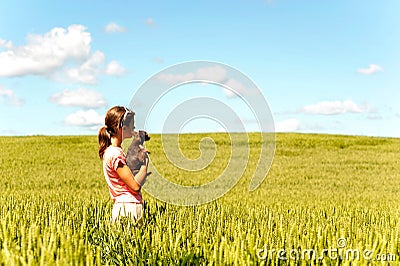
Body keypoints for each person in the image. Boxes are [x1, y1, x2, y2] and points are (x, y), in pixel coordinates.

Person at [98, 106, 148, 225]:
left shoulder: (112, 151)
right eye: (132, 126)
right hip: (129, 208)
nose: (134, 129)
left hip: (122, 207)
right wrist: (145, 165)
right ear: (123, 128)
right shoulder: (115, 154)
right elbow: (135, 187)